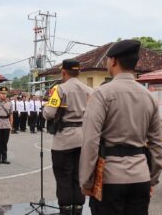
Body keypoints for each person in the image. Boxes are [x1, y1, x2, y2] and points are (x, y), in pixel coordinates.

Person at [79, 40, 162, 215]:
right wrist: (152, 179)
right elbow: (157, 144)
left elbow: (90, 142)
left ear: (114, 61)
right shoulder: (149, 97)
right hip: (140, 176)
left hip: (109, 178)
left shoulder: (101, 94)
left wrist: (86, 182)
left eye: (108, 59)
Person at [43, 59, 92, 215]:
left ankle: (65, 209)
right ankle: (78, 209)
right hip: (83, 138)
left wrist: (45, 108)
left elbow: (49, 113)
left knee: (63, 177)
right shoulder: (89, 90)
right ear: (79, 72)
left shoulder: (60, 89)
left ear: (63, 71)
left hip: (64, 140)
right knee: (78, 176)